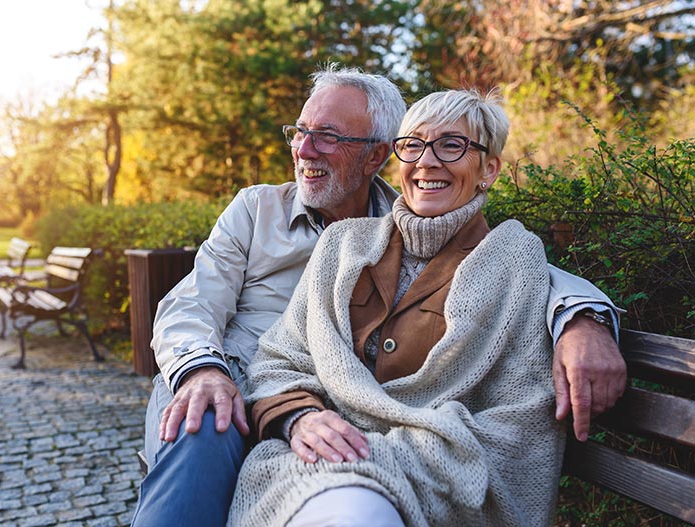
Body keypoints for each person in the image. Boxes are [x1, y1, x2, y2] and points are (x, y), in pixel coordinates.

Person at [130, 65, 624, 527]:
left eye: (327, 136)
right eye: (300, 132)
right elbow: (190, 305)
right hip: (231, 382)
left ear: (375, 155)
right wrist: (203, 371)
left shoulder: (411, 219)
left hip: (334, 421)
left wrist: (584, 318)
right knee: (201, 425)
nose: (304, 149)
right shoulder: (261, 211)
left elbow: (520, 267)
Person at [229, 87, 566, 526]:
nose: (427, 161)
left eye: (452, 145)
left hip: (436, 475)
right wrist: (300, 418)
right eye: (413, 145)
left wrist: (377, 454)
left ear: (489, 169)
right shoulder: (342, 244)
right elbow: (280, 359)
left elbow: (520, 416)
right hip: (311, 464)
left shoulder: (516, 260)